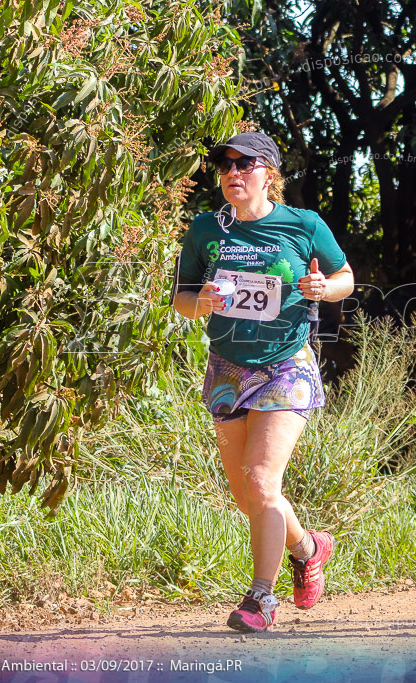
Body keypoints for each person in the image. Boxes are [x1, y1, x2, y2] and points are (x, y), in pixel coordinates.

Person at [173, 130, 355, 633]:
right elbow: (181, 298)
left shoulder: (303, 224)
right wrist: (201, 303)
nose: (233, 173)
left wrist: (324, 286)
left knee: (260, 479)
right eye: (225, 165)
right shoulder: (206, 229)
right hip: (227, 366)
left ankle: (260, 600)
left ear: (269, 173)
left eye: (245, 164)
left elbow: (346, 279)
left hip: (285, 364)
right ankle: (309, 547)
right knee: (246, 494)